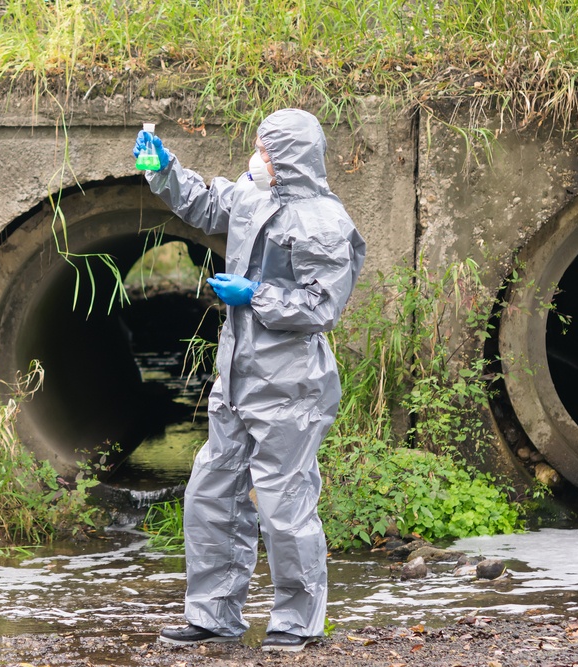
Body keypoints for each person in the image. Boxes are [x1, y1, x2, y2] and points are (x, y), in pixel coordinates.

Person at [132, 109, 366, 653]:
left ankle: (298, 622)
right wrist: (163, 168)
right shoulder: (255, 196)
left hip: (292, 384)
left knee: (284, 503)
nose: (254, 159)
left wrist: (255, 295)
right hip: (236, 376)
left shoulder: (325, 223)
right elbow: (207, 202)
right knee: (210, 492)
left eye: (263, 149)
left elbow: (321, 305)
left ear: (287, 158)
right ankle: (213, 616)